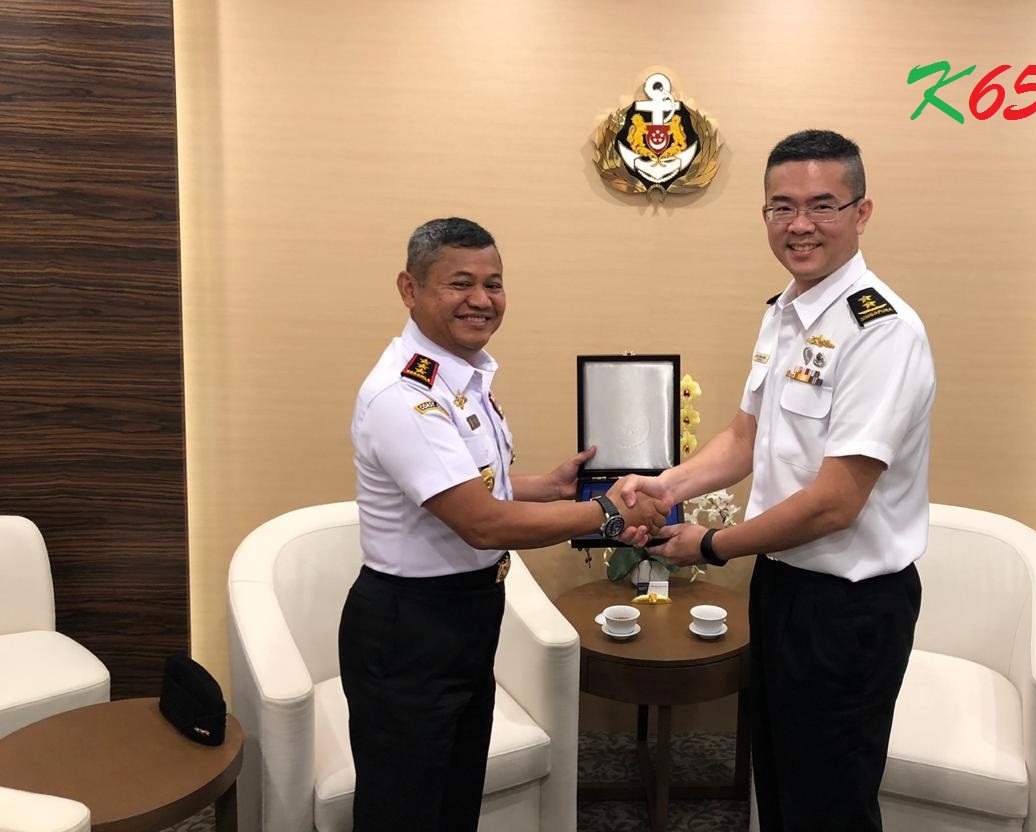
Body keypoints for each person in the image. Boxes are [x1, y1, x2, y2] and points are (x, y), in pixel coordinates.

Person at [620, 130, 936, 831]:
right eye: (781, 207)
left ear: (861, 212)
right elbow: (745, 438)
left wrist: (710, 545)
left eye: (822, 205)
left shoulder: (881, 331)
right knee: (782, 783)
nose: (800, 225)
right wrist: (667, 486)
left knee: (831, 802)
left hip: (849, 610)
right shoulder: (787, 311)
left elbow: (834, 504)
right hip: (783, 586)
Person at [338, 216, 668, 831]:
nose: (481, 300)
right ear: (410, 289)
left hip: (466, 614)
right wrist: (608, 512)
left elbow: (475, 488)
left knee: (455, 794)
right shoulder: (405, 396)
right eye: (459, 283)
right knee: (403, 809)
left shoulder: (463, 377)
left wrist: (554, 487)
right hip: (411, 628)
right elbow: (482, 523)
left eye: (493, 284)